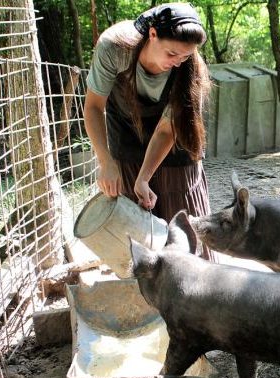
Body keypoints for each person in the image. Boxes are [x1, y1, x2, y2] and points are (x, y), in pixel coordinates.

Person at [84, 3, 215, 261]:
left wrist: (145, 177)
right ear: (152, 34)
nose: (178, 63)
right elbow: (93, 107)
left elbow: (166, 132)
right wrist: (105, 161)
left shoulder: (190, 69)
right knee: (136, 234)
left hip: (176, 147)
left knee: (185, 231)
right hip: (126, 134)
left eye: (185, 56)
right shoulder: (114, 48)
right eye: (172, 54)